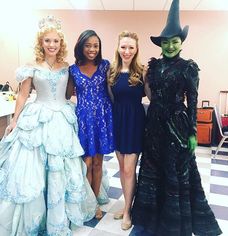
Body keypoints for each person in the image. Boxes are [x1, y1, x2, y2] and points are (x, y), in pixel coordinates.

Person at [131, 0, 222, 235]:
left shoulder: (188, 68)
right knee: (153, 168)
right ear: (160, 44)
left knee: (175, 169)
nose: (170, 46)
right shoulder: (153, 66)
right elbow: (148, 93)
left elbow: (192, 101)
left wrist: (192, 132)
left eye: (174, 41)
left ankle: (173, 221)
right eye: (166, 42)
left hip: (177, 126)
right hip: (153, 125)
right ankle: (152, 218)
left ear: (181, 42)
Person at [0, 16, 97, 235]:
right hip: (38, 116)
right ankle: (38, 216)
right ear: (41, 43)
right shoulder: (31, 67)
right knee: (35, 167)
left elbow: (70, 93)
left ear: (60, 43)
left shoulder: (67, 67)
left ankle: (58, 216)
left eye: (55, 41)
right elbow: (23, 96)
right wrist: (15, 120)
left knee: (60, 167)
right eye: (47, 41)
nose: (52, 45)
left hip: (62, 117)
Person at [67, 30, 114, 219]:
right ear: (80, 46)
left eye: (96, 45)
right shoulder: (73, 69)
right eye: (88, 45)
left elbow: (113, 91)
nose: (92, 49)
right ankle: (87, 202)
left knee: (98, 162)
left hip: (102, 118)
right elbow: (66, 95)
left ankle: (94, 203)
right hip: (83, 119)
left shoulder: (105, 66)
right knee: (86, 162)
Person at [108, 31, 146, 230]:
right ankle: (127, 205)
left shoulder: (143, 71)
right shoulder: (111, 71)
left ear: (136, 49)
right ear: (118, 47)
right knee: (122, 169)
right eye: (123, 46)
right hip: (118, 121)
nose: (127, 51)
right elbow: (111, 99)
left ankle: (129, 212)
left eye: (131, 47)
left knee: (130, 169)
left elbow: (152, 98)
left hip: (135, 122)